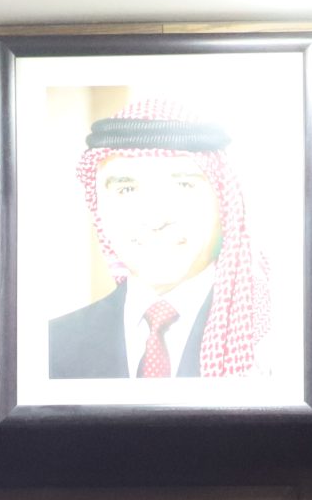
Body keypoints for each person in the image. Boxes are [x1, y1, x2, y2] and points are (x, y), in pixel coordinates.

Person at [46, 98, 273, 381]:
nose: (154, 219)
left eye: (184, 185)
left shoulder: (271, 341)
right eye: (127, 189)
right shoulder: (51, 347)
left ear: (223, 203)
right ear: (98, 209)